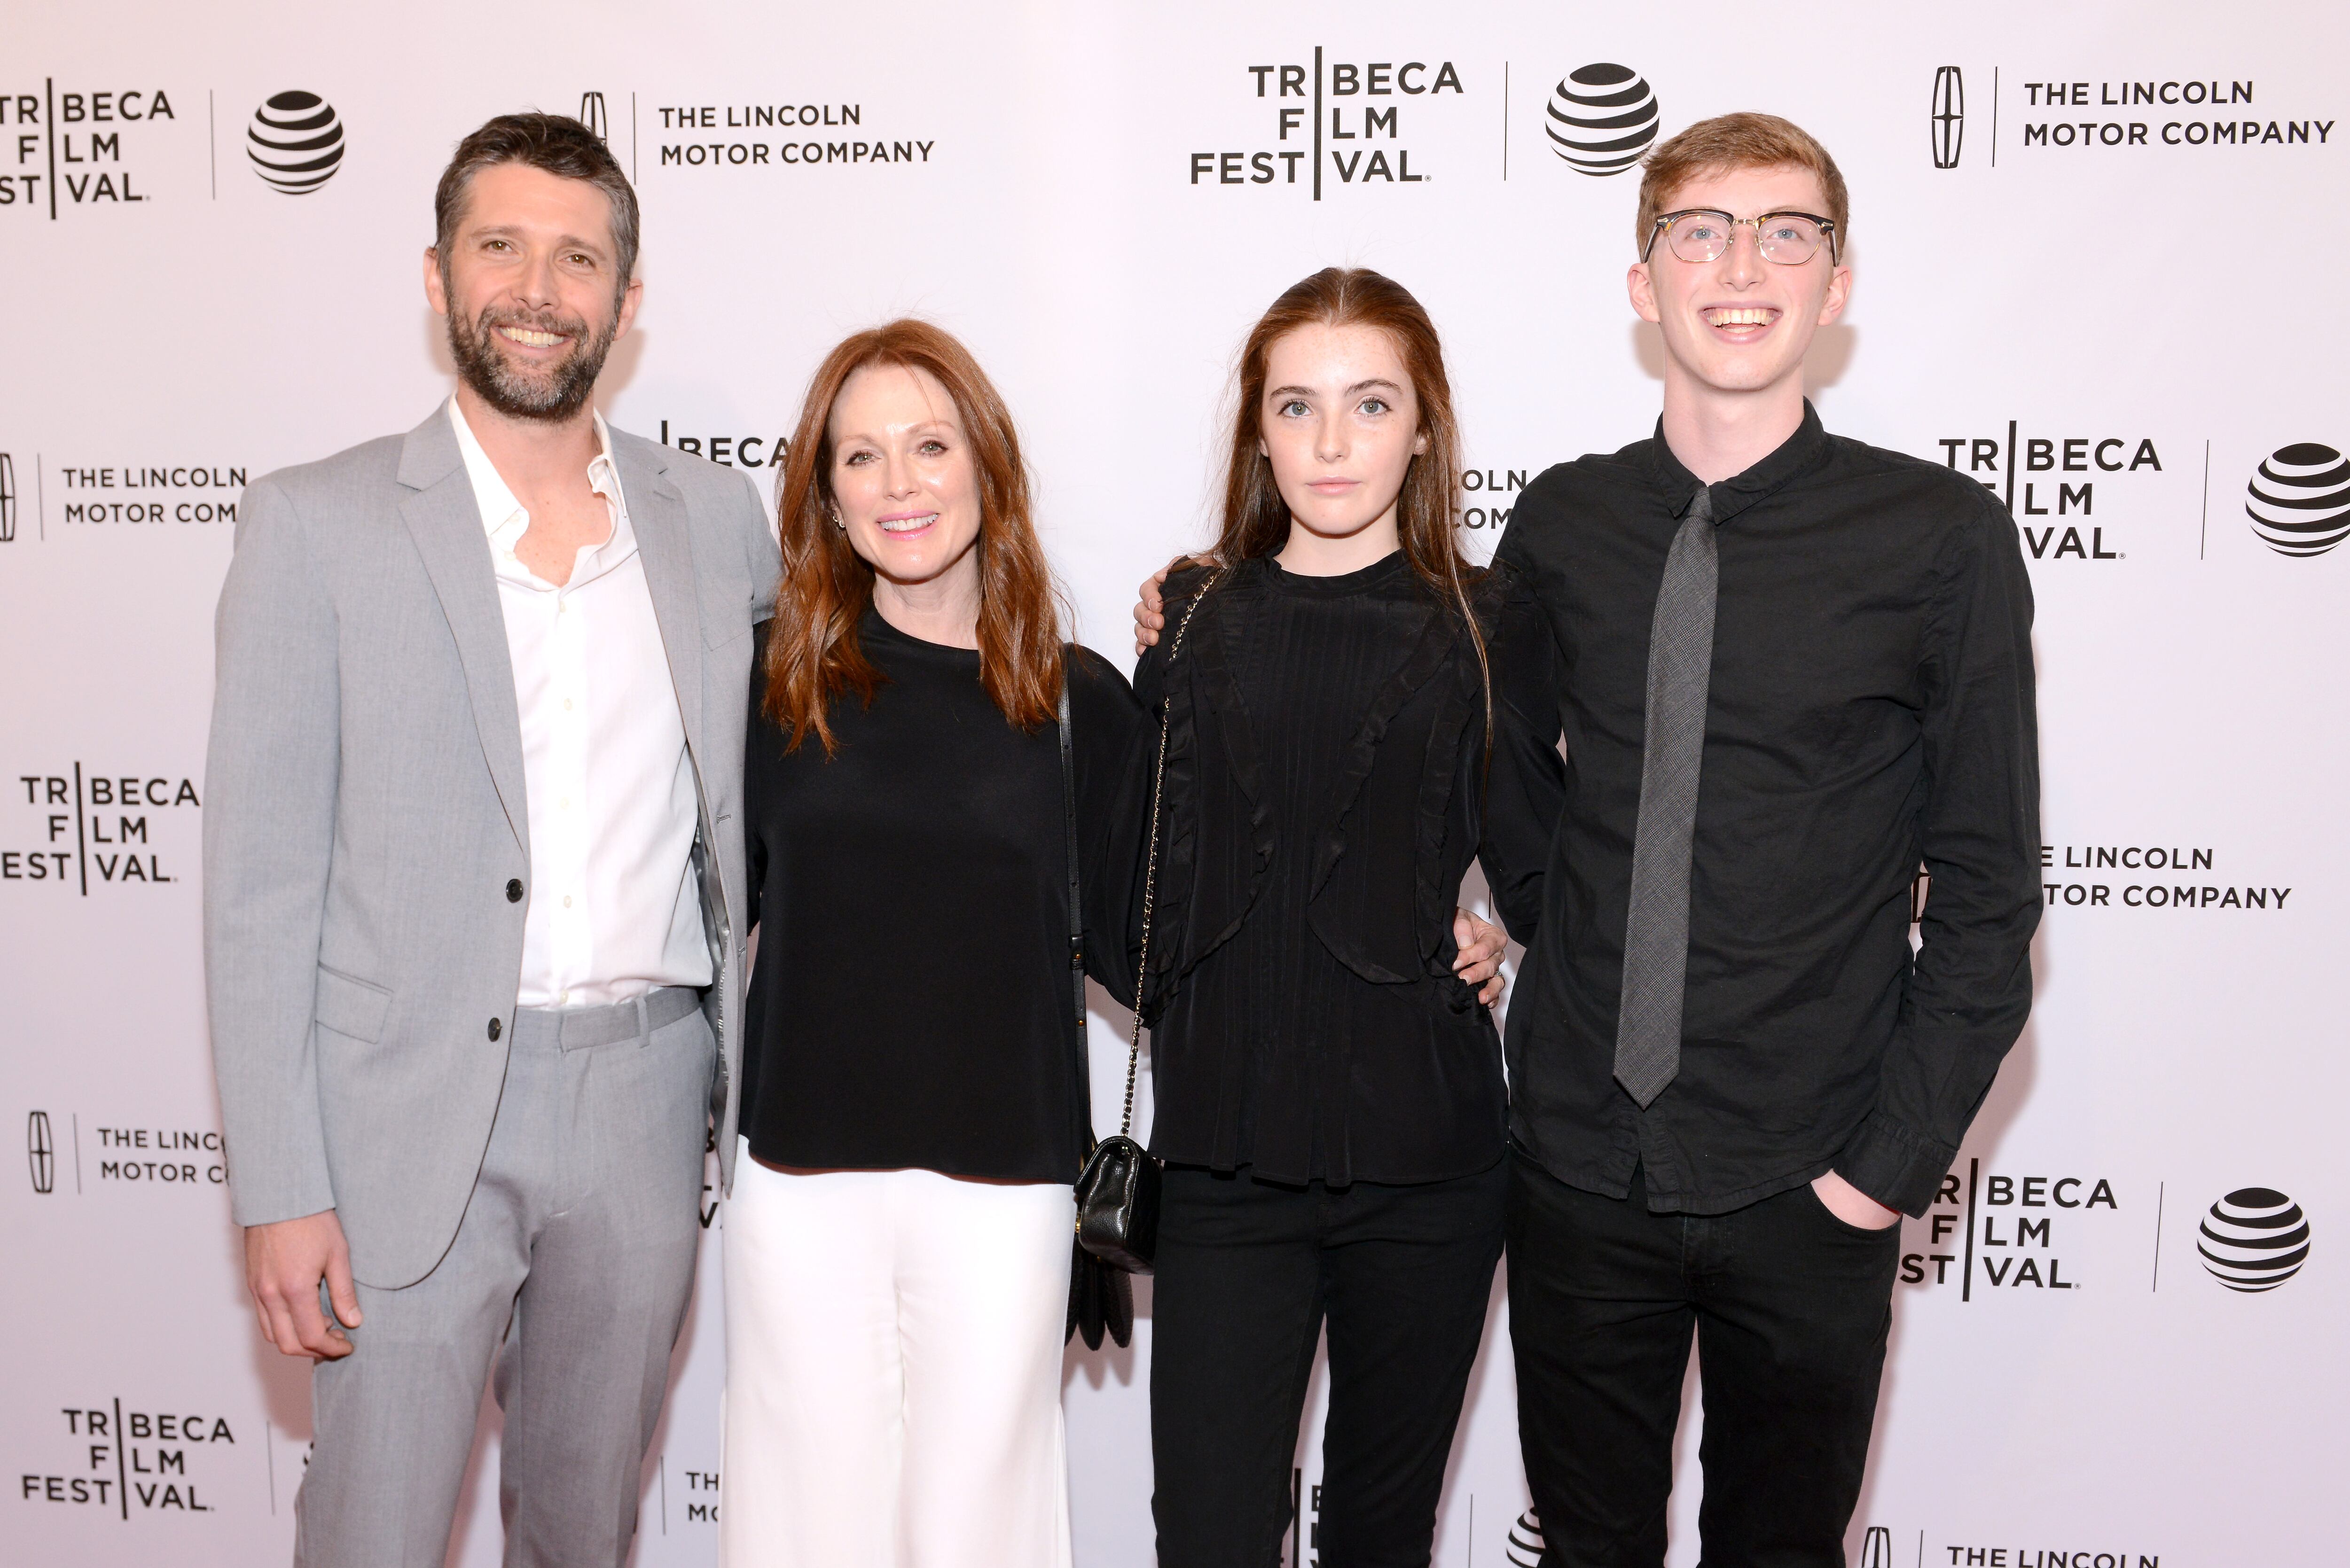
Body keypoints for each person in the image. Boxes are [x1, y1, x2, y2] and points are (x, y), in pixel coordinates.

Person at [1139, 116, 2042, 1565]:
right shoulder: (1563, 527)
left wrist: (1879, 1170)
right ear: (1644, 281)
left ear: (1837, 281)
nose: (1739, 267)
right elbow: (1466, 760)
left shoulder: (1942, 539)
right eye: (1700, 232)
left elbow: (1992, 898)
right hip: (1577, 1171)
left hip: (1811, 1175)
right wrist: (1210, 601)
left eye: (1785, 234)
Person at [205, 113, 779, 1567]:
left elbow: (860, 695)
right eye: (501, 247)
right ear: (437, 273)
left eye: (577, 258)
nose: (537, 289)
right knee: (373, 1533)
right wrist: (282, 1187)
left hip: (646, 1098)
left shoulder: (718, 521)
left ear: (627, 299)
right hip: (400, 1119)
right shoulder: (314, 524)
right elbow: (259, 888)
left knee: (583, 1533)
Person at [720, 320, 1143, 1568]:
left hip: (1006, 1197)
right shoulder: (772, 688)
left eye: (929, 445)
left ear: (986, 465)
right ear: (827, 495)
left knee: (984, 1537)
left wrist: (1425, 913)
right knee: (803, 1535)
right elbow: (690, 909)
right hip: (799, 1188)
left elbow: (1163, 947)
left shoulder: (1076, 701)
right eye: (861, 456)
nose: (898, 484)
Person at [1132, 268, 1524, 1568]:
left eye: (1371, 403)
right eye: (1297, 406)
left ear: (1424, 428)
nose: (1334, 441)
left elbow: (1547, 865)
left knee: (1380, 1536)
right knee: (1207, 1537)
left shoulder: (1487, 623)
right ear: (1259, 431)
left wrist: (1490, 933)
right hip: (1225, 1159)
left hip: (1429, 1163)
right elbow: (1149, 870)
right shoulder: (1193, 617)